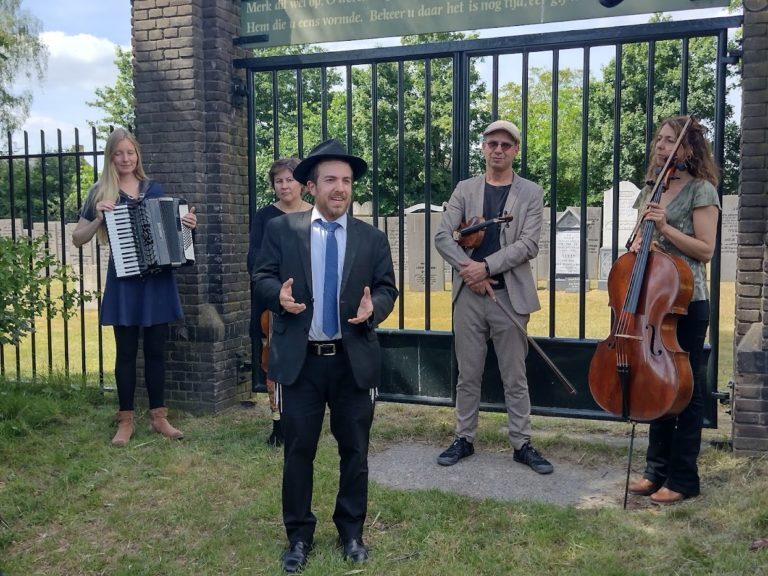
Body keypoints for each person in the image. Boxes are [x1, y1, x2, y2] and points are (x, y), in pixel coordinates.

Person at [252, 139, 398, 573]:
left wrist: (377, 309)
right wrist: (276, 297)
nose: (340, 188)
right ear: (311, 186)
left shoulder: (372, 238)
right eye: (331, 179)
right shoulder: (283, 230)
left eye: (347, 181)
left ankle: (351, 532)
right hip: (302, 361)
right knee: (299, 451)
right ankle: (298, 536)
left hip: (354, 360)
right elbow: (260, 275)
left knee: (355, 450)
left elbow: (388, 287)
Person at [434, 120, 553, 475]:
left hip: (509, 296)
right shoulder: (464, 189)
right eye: (492, 144)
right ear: (483, 148)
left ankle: (522, 443)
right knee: (467, 374)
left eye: (506, 144)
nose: (498, 150)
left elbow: (528, 244)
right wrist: (469, 270)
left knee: (514, 376)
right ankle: (464, 438)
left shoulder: (531, 192)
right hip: (469, 297)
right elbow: (443, 236)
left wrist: (484, 267)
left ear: (516, 150)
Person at [72, 128, 197, 447]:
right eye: (119, 153)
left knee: (156, 352)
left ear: (137, 155)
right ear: (110, 157)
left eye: (130, 153)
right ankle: (125, 420)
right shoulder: (100, 191)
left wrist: (186, 228)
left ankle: (159, 418)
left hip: (157, 282)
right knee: (126, 354)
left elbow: (173, 235)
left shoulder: (152, 188)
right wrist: (98, 217)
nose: (125, 158)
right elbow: (77, 237)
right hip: (124, 281)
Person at [627, 115, 720, 504]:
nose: (663, 146)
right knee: (656, 382)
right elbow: (635, 236)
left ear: (690, 148)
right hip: (653, 300)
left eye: (672, 141)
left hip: (686, 301)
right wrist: (637, 244)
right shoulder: (652, 187)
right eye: (660, 140)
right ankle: (655, 471)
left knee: (688, 388)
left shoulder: (703, 190)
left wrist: (664, 229)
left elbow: (705, 250)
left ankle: (683, 478)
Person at [247, 157, 312, 447]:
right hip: (274, 302)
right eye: (279, 181)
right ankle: (278, 424)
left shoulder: (317, 214)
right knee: (274, 364)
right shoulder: (264, 217)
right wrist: (276, 292)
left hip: (310, 299)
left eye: (290, 179)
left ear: (302, 183)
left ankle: (305, 418)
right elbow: (256, 261)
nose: (284, 185)